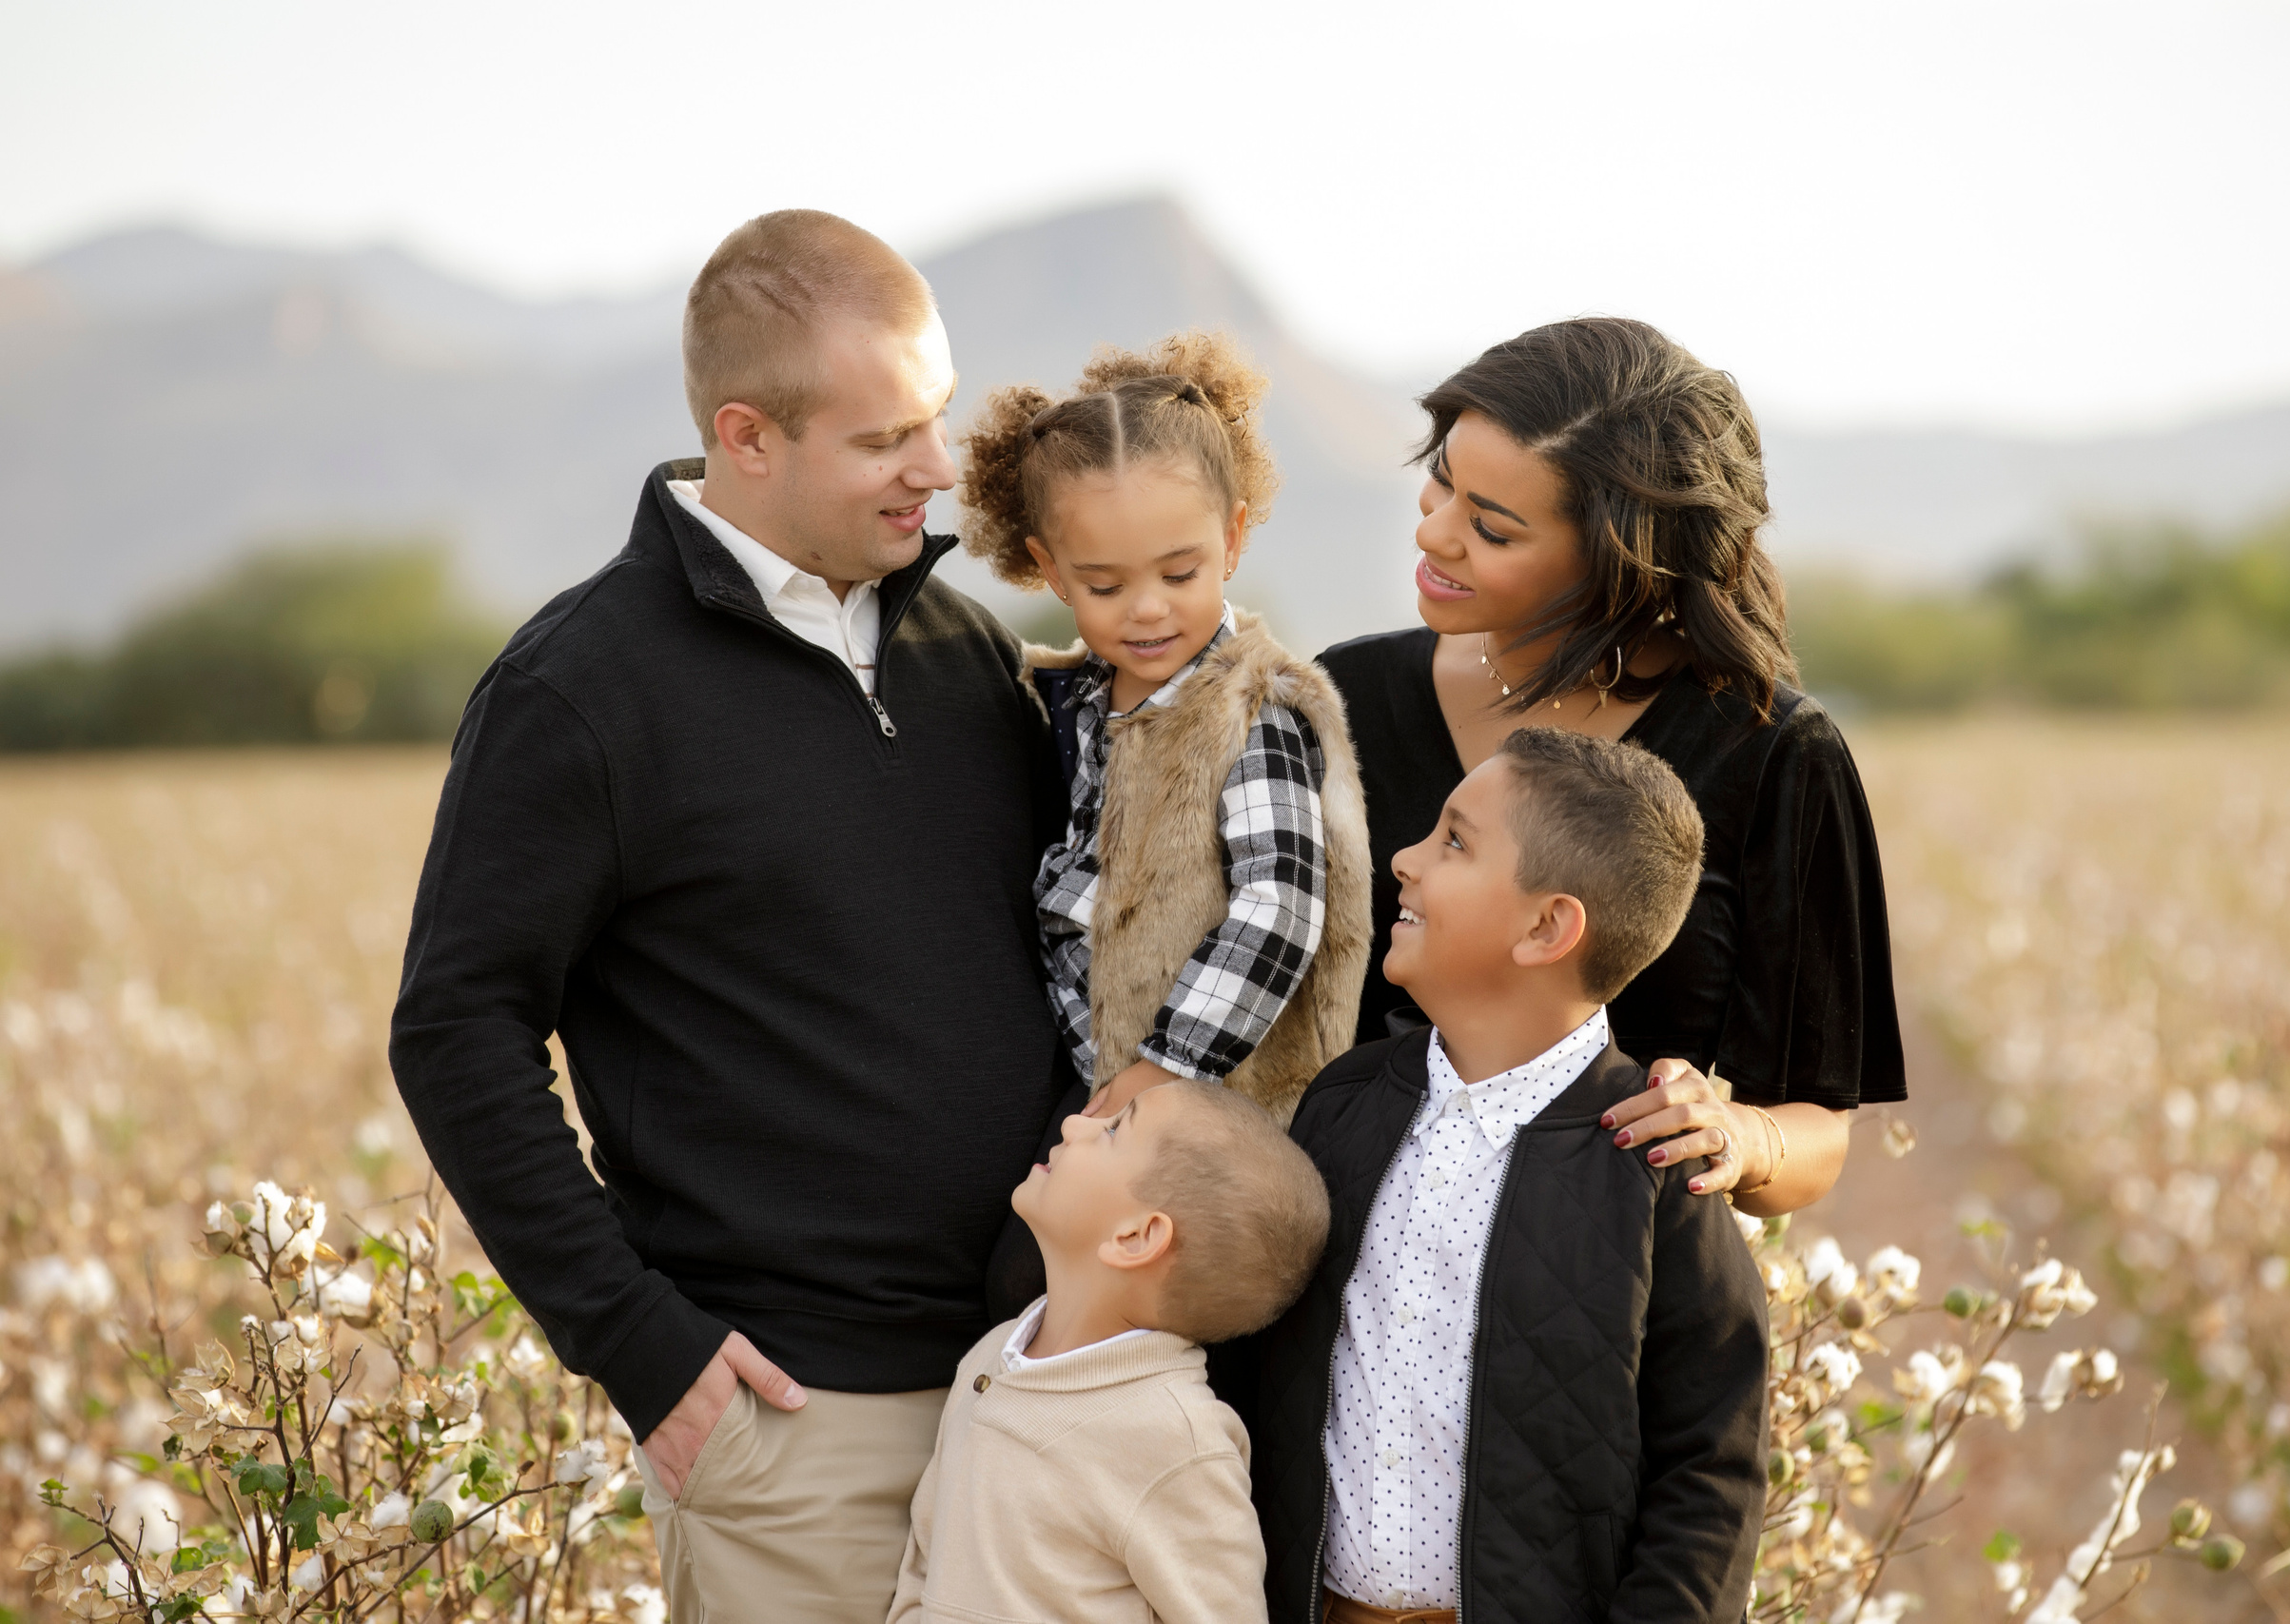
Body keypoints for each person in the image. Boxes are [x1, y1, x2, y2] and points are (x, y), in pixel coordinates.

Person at [388, 209, 1071, 1622]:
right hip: (790, 1421)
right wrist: (639, 1343)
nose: (935, 473)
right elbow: (458, 1026)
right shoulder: (580, 691)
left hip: (1034, 1393)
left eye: (934, 422)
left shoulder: (965, 650)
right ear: (748, 437)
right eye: (887, 439)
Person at [1315, 317, 1906, 1217]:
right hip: (1339, 1253)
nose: (1435, 536)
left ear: (1622, 562)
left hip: (1599, 1285)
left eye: (1494, 530)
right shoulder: (1341, 698)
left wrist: (1739, 1137)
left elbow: (1817, 1126)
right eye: (1441, 482)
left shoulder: (1771, 752)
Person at [1232, 728, 1770, 1624]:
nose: (1403, 858)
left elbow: (1712, 1460)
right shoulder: (1344, 1103)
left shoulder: (1653, 1160)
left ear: (1547, 927)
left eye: (1453, 839)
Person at [957, 331, 1371, 1126]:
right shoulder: (1066, 702)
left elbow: (1278, 904)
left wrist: (1167, 1063)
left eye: (1180, 574)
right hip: (1088, 1094)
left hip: (1213, 1112)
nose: (1147, 607)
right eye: (1104, 584)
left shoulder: (1254, 709)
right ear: (1051, 572)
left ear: (1234, 539)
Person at [890, 1081, 1328, 1624]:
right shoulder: (988, 1359)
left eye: (1115, 1129)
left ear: (1136, 1237)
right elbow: (924, 1564)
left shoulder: (1177, 1440)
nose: (1075, 1124)